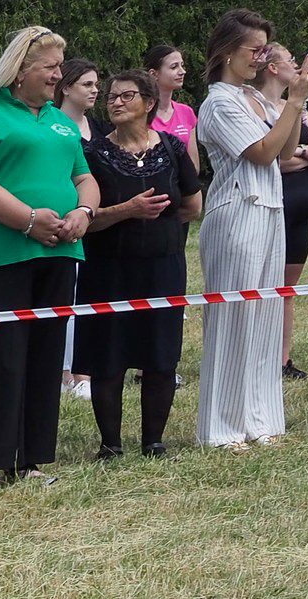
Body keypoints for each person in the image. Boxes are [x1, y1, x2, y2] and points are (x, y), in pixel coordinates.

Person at [0, 25, 99, 490]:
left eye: (59, 68)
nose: (57, 76)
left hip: (59, 253)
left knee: (44, 355)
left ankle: (30, 459)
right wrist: (29, 220)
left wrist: (84, 212)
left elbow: (84, 178)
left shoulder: (61, 122)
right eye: (50, 67)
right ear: (19, 71)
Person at [73, 70, 202, 459]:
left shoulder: (172, 148)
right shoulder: (92, 153)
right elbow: (83, 217)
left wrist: (160, 229)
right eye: (111, 97)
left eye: (126, 96)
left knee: (161, 354)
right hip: (108, 269)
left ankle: (154, 442)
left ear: (148, 103)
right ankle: (110, 444)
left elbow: (191, 205)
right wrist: (127, 211)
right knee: (107, 354)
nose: (115, 102)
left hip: (163, 267)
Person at [198, 10, 308, 446]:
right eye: (255, 50)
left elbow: (284, 151)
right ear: (228, 51)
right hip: (235, 212)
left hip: (269, 208)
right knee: (234, 318)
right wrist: (294, 102)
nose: (262, 58)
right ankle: (223, 427)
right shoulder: (218, 102)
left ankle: (260, 421)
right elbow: (261, 152)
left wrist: (293, 103)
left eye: (266, 50)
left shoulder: (254, 97)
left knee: (265, 317)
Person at [254, 44, 308, 379]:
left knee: (288, 290)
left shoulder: (295, 106)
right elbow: (272, 159)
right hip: (274, 204)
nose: (297, 66)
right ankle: (259, 356)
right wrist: (303, 155)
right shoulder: (256, 107)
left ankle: (283, 359)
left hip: (303, 206)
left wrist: (299, 151)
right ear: (272, 67)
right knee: (263, 286)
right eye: (291, 61)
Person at [56, 57, 100, 400]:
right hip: (64, 224)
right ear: (67, 87)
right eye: (87, 84)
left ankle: (86, 368)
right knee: (66, 298)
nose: (95, 90)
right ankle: (65, 371)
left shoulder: (98, 127)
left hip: (95, 220)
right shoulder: (54, 125)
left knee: (91, 297)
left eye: (96, 84)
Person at [148, 43, 202, 173]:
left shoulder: (186, 112)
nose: (182, 71)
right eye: (174, 67)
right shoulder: (142, 114)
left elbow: (194, 166)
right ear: (154, 74)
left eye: (182, 65)